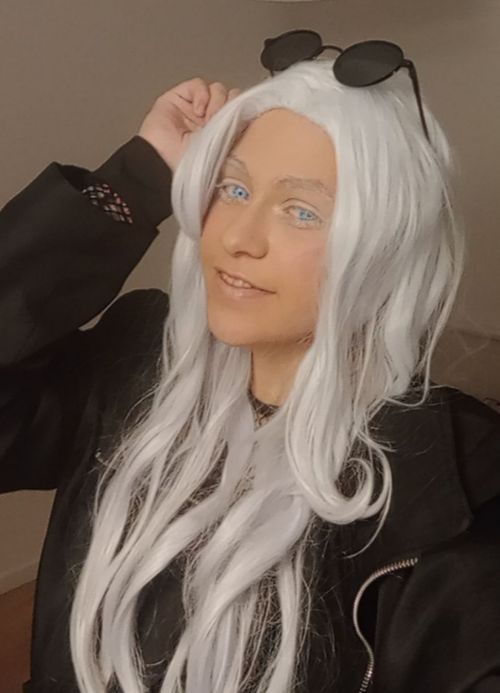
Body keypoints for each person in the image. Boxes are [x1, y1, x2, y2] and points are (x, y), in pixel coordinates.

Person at [1, 51, 500, 693]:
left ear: (385, 245)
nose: (239, 237)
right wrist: (138, 178)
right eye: (233, 189)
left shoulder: (452, 476)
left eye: (301, 211)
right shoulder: (131, 364)